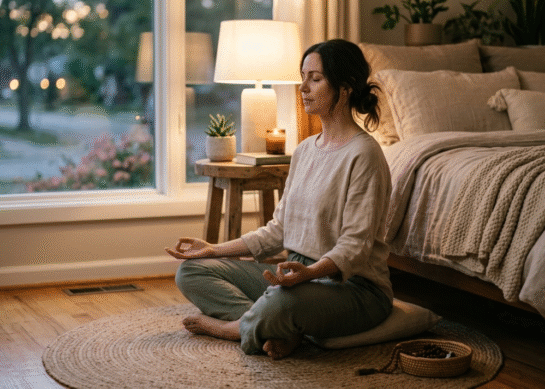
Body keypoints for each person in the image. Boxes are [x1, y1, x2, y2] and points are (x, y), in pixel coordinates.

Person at [165, 39, 393, 360]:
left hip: (353, 288)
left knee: (285, 303)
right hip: (295, 274)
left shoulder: (364, 154)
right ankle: (275, 326)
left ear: (345, 88)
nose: (304, 87)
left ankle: (236, 328)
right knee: (193, 271)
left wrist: (310, 275)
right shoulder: (303, 151)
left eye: (315, 79)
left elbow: (355, 247)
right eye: (303, 77)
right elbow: (276, 231)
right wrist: (212, 249)